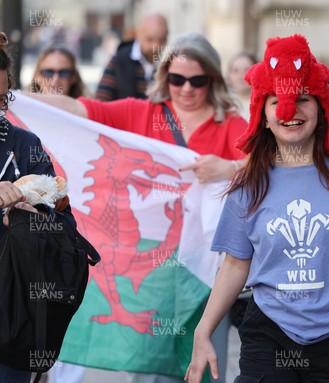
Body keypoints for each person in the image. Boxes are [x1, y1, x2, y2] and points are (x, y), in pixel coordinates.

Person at [185, 33, 329, 383]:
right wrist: (203, 331)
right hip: (268, 332)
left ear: (321, 108)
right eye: (276, 102)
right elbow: (233, 265)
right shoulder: (249, 183)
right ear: (264, 114)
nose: (291, 111)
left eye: (303, 99)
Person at [28, 32, 246, 383]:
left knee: (206, 361)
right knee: (151, 365)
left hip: (207, 268)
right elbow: (78, 110)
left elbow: (269, 164)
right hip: (155, 270)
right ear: (164, 78)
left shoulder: (231, 124)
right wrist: (14, 97)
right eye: (177, 79)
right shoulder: (141, 113)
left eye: (197, 80)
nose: (186, 89)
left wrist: (230, 167)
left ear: (213, 79)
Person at [0, 31, 76, 383]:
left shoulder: (25, 144)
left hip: (11, 316)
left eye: (0, 101)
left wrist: (32, 211)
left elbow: (64, 225)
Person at [95, 13, 168, 101]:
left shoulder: (169, 64)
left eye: (162, 40)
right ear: (138, 35)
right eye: (150, 39)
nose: (156, 46)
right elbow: (101, 101)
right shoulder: (119, 61)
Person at [226, 52, 257, 121]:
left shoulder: (264, 102)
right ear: (229, 74)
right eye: (235, 71)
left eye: (246, 70)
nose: (241, 76)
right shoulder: (224, 103)